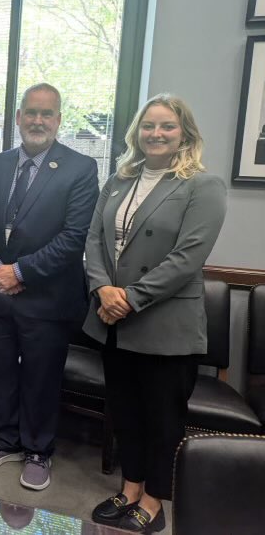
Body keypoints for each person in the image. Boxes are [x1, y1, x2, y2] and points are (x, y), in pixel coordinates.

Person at [84, 94, 226, 533]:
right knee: (126, 411)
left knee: (163, 418)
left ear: (184, 132)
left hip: (165, 325)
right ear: (136, 132)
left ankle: (154, 499)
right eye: (149, 126)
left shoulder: (202, 186)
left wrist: (128, 298)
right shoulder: (120, 179)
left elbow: (187, 258)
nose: (156, 134)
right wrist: (103, 288)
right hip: (114, 324)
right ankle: (129, 488)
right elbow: (93, 240)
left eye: (167, 126)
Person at [0, 83, 99, 491]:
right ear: (19, 117)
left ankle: (38, 450)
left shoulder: (80, 168)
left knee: (42, 376)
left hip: (47, 296)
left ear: (59, 121)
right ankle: (4, 439)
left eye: (47, 114)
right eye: (31, 113)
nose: (37, 121)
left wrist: (19, 272)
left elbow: (74, 237)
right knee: (0, 370)